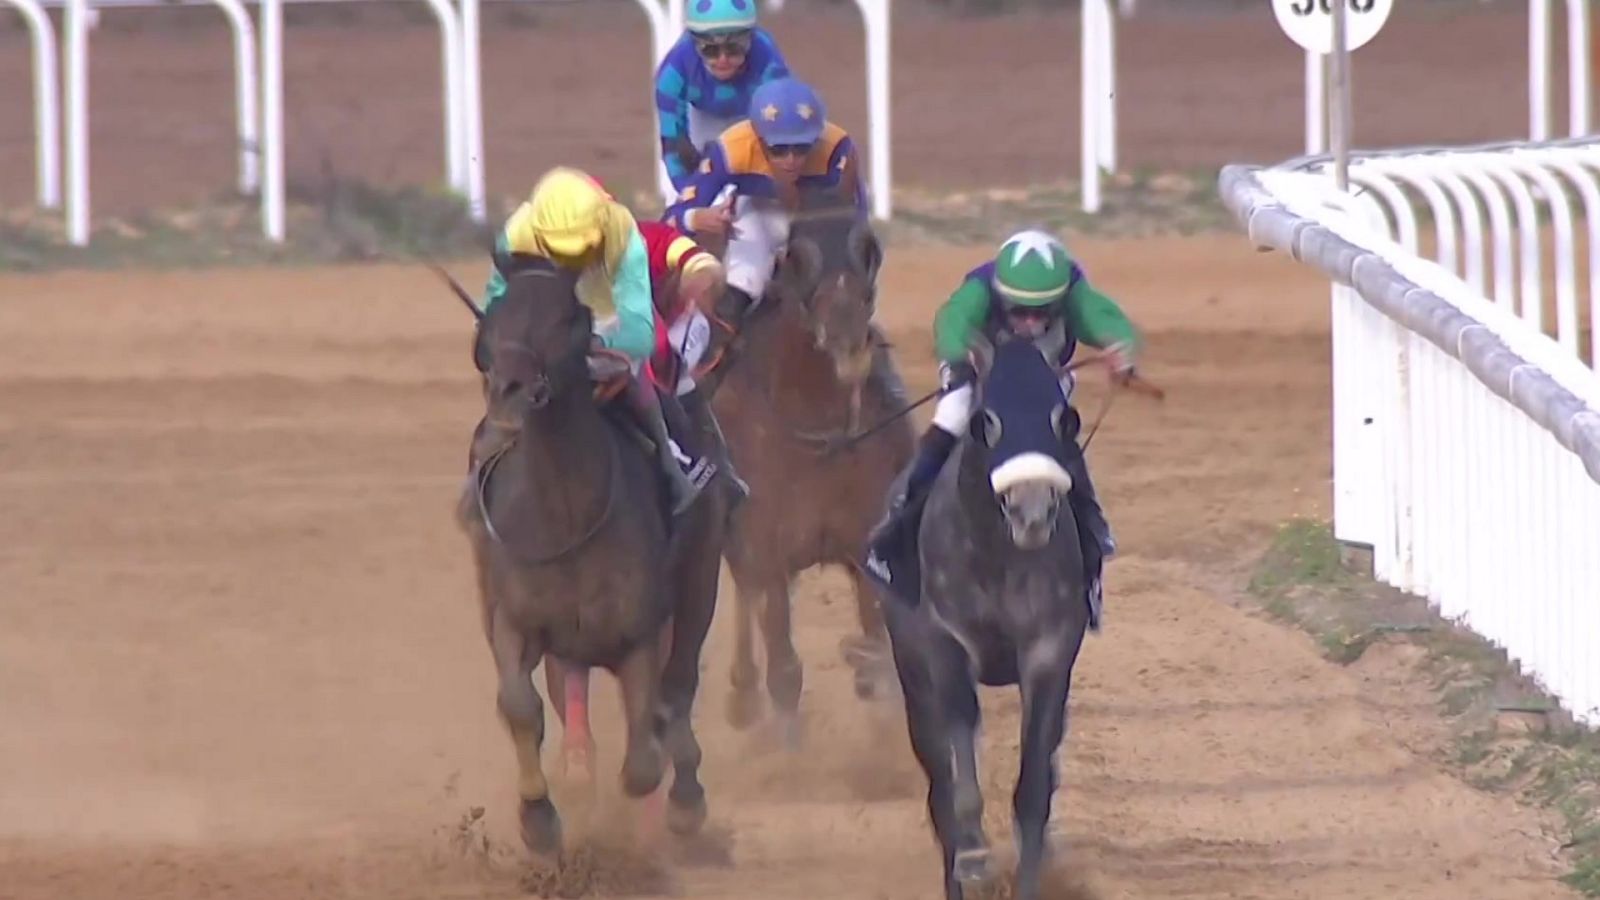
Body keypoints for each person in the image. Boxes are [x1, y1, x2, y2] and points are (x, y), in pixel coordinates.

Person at [866, 229, 1142, 620]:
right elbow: (952, 322)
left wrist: (1121, 352)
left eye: (1042, 313)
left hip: (1042, 380)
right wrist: (959, 363)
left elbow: (1109, 321)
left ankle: (1090, 534)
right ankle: (901, 518)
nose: (1030, 321)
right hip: (979, 372)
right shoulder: (979, 289)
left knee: (1059, 434)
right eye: (1019, 311)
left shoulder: (1074, 291)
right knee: (954, 414)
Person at [472, 166, 715, 516]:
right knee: (508, 377)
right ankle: (481, 476)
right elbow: (495, 301)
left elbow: (638, 329)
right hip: (542, 325)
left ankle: (672, 464)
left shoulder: (621, 231)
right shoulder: (515, 236)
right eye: (559, 252)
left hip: (605, 317)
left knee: (636, 377)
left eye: (578, 251)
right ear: (539, 234)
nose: (570, 262)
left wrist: (588, 342)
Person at [663, 76, 901, 404]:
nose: (791, 159)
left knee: (850, 281)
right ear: (758, 138)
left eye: (802, 147)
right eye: (778, 149)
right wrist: (698, 218)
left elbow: (856, 221)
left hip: (815, 219)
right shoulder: (731, 148)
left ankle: (884, 379)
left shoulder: (838, 148)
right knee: (745, 281)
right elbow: (674, 215)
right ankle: (707, 376)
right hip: (759, 214)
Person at [636, 218, 751, 504]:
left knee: (670, 377)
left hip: (674, 321)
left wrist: (702, 275)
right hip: (618, 331)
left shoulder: (645, 236)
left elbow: (693, 257)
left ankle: (712, 468)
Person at [654, 0, 791, 193]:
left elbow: (784, 132)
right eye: (710, 49)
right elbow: (672, 146)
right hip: (700, 116)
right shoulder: (672, 71)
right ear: (694, 43)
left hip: (753, 114)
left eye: (734, 48)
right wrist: (690, 198)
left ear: (750, 40)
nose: (723, 59)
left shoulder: (769, 60)